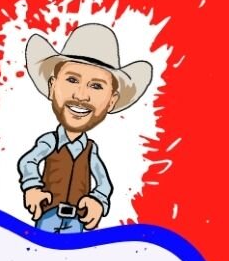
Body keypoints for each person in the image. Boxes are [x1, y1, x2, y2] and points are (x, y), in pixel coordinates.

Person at [18, 23, 153, 233]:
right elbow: (29, 160)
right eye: (72, 80)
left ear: (111, 101)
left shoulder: (91, 151)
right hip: (48, 215)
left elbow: (103, 182)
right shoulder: (50, 142)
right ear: (52, 86)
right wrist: (32, 187)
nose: (81, 95)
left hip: (77, 221)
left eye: (96, 86)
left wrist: (98, 201)